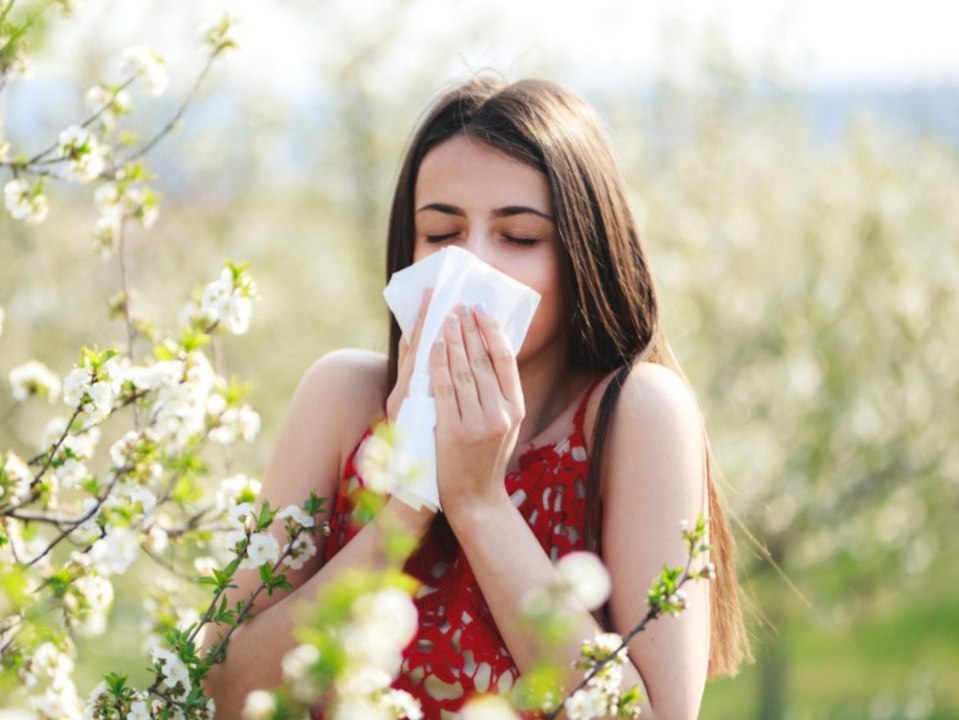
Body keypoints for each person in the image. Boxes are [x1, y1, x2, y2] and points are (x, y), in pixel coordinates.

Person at [204, 76, 750, 719]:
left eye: (519, 237)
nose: (472, 264)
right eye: (441, 234)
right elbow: (224, 692)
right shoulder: (342, 397)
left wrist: (479, 502)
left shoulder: (638, 414)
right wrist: (409, 499)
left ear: (585, 253)